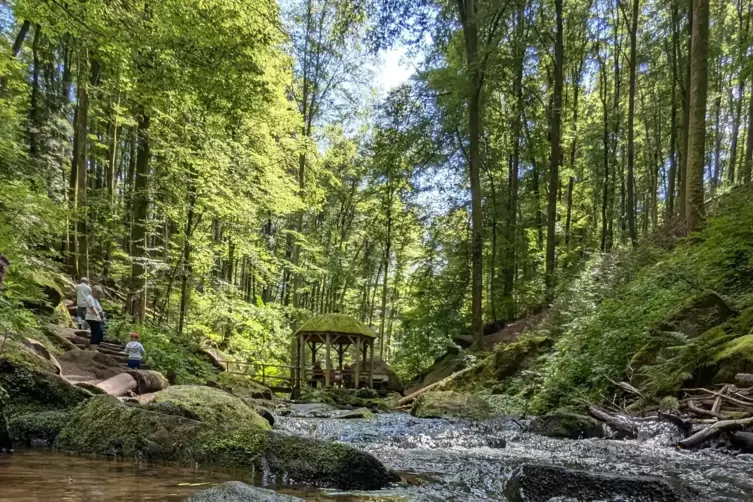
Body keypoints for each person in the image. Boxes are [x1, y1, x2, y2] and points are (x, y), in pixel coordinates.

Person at [85, 285, 105, 349]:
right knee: (96, 333)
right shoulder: (90, 297)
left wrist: (102, 315)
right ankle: (93, 348)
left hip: (96, 319)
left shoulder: (95, 300)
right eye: (98, 292)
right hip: (92, 318)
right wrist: (97, 315)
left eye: (100, 293)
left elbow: (99, 309)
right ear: (93, 291)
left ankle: (93, 347)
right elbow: (92, 307)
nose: (99, 294)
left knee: (100, 334)